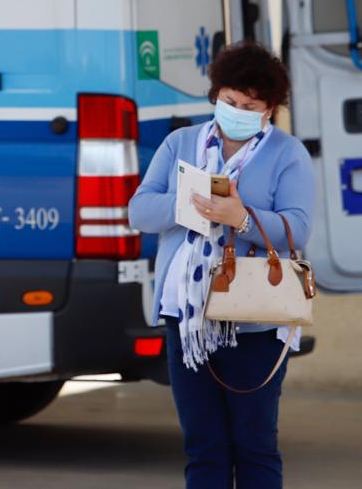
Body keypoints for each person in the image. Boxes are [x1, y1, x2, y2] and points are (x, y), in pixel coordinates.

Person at [128, 41, 316, 489]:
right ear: (216, 94)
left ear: (269, 109)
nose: (238, 110)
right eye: (231, 101)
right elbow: (139, 211)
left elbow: (298, 228)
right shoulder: (181, 143)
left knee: (254, 443)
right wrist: (190, 206)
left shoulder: (288, 154)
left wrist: (242, 218)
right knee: (203, 445)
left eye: (251, 105)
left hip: (254, 319)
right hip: (187, 317)